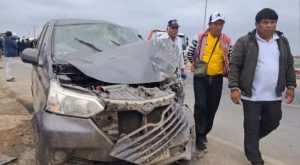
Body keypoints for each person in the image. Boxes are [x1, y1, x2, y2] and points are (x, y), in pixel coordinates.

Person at [228, 8, 296, 165]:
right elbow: (235, 66)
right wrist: (234, 87)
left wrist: (291, 86)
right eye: (265, 22)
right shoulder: (245, 41)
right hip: (251, 95)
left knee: (274, 121)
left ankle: (250, 140)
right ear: (257, 24)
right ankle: (255, 158)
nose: (269, 26)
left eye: (272, 22)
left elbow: (289, 65)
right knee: (251, 127)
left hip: (273, 95)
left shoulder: (282, 41)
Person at [186, 12, 231, 156]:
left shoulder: (227, 39)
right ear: (210, 25)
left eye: (221, 24)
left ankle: (203, 132)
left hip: (217, 79)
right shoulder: (200, 37)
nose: (218, 27)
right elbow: (189, 53)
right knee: (200, 106)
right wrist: (195, 64)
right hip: (201, 77)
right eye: (216, 24)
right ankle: (199, 137)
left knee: (212, 108)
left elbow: (230, 57)